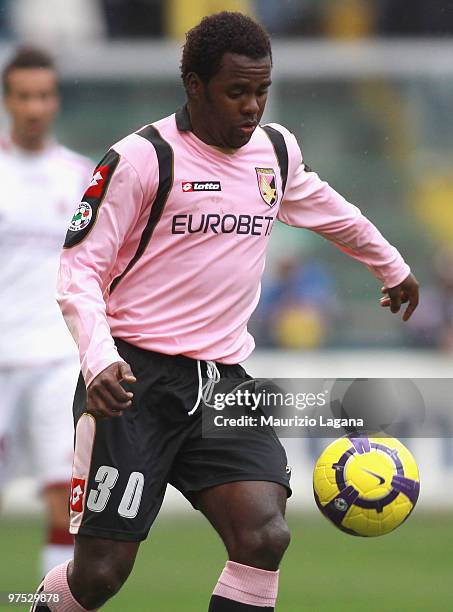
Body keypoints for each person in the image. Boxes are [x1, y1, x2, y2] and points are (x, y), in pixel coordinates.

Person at [31, 12, 419, 612]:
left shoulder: (276, 153)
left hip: (221, 383)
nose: (252, 107)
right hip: (133, 383)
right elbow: (79, 271)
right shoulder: (141, 159)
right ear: (194, 85)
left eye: (261, 91)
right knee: (100, 575)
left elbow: (334, 212)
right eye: (237, 92)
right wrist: (99, 360)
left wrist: (390, 265)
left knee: (264, 535)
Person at [0, 47, 92, 575]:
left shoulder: (80, 177)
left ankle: (53, 609)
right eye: (24, 96)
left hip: (59, 360)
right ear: (9, 101)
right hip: (2, 356)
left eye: (43, 95)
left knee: (66, 502)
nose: (35, 107)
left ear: (55, 101)